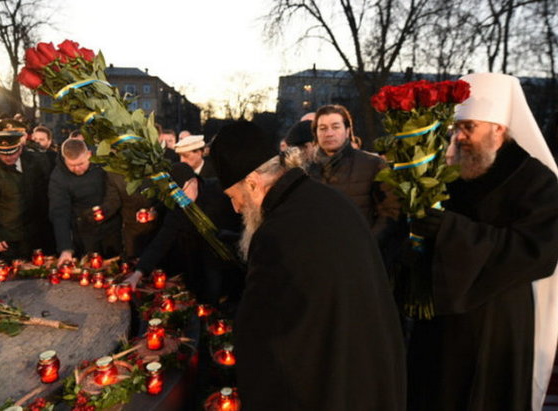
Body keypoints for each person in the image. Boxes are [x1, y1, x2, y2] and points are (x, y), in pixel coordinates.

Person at [209, 121, 406, 410]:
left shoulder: (276, 231)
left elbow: (263, 335)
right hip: (368, 373)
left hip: (325, 387)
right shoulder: (330, 199)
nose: (236, 208)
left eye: (234, 197)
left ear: (252, 183)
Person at [406, 73, 558, 411]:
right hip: (441, 323)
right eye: (455, 128)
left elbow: (539, 252)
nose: (458, 137)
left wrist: (449, 230)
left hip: (498, 325)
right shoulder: (451, 172)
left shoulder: (536, 179)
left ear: (498, 129)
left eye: (468, 127)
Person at [128, 163, 243, 305]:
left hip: (235, 254)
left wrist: (234, 236)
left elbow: (243, 217)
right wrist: (138, 273)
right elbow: (161, 243)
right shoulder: (178, 209)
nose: (179, 199)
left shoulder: (219, 190)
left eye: (181, 192)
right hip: (205, 263)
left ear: (193, 182)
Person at [307, 104, 400, 245]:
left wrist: (369, 243)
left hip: (359, 252)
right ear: (316, 133)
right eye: (323, 128)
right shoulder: (305, 169)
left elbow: (391, 212)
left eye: (335, 127)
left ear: (347, 131)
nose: (329, 133)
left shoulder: (373, 164)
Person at [0, 131, 53, 261]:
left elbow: (43, 195)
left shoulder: (35, 161)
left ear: (20, 148)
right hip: (7, 238)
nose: (8, 157)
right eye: (2, 154)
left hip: (36, 234)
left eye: (12, 152)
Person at [50, 139, 121, 266]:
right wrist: (65, 248)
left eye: (81, 163)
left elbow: (116, 191)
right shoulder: (59, 177)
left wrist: (106, 209)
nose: (77, 169)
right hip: (84, 230)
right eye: (71, 165)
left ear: (89, 155)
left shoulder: (104, 163)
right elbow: (59, 212)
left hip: (111, 224)